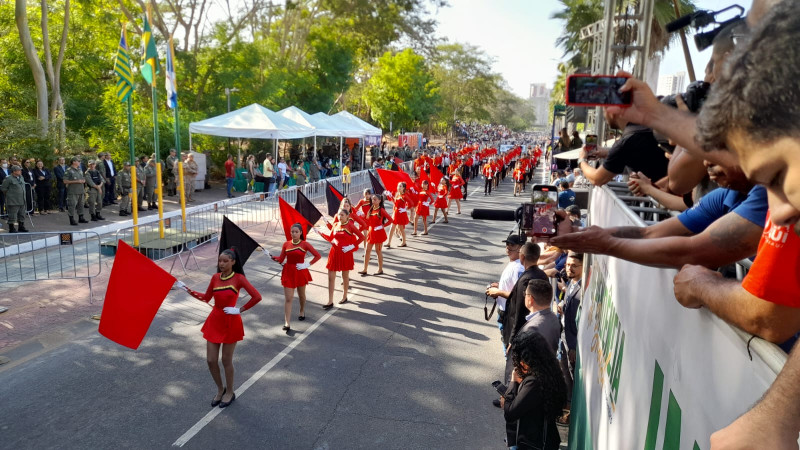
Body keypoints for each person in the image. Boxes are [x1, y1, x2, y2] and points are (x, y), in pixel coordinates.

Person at [178, 248, 262, 409]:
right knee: (210, 360)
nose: (221, 264)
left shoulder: (239, 279)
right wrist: (186, 289)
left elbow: (257, 296)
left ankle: (230, 391)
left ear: (233, 262)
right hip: (215, 321)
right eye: (220, 261)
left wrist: (239, 309)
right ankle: (220, 389)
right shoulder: (215, 277)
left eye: (225, 261)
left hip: (231, 322)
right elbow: (206, 297)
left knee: (226, 360)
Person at [503, 330, 567, 450]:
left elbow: (510, 413)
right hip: (546, 439)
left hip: (532, 444)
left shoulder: (534, 383)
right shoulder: (551, 371)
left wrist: (513, 383)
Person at [500, 242, 547, 384]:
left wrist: (512, 339)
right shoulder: (541, 274)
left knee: (514, 364)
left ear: (522, 257)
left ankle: (508, 395)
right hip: (535, 327)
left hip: (521, 330)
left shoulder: (526, 279)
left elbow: (520, 309)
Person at [577, 112, 668, 187]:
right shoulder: (647, 127)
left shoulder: (625, 143)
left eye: (605, 109)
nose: (604, 114)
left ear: (613, 111)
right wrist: (607, 153)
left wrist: (582, 160)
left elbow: (597, 179)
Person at [272, 223, 322, 332]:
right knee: (288, 298)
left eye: (296, 232)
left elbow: (318, 255)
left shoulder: (305, 244)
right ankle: (287, 323)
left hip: (300, 271)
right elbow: (281, 259)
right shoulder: (286, 244)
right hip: (288, 272)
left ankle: (302, 310)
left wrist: (307, 264)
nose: (294, 234)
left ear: (300, 233)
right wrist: (273, 257)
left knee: (301, 295)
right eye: (292, 232)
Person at [555, 252, 583, 425]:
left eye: (574, 265)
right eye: (567, 265)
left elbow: (579, 321)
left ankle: (571, 413)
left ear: (583, 267)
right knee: (564, 372)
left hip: (571, 342)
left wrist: (573, 347)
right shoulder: (571, 283)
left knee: (572, 376)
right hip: (563, 336)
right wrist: (562, 304)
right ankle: (567, 406)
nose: (569, 268)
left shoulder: (583, 289)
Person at [324, 209, 364, 308]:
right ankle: (330, 301)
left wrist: (351, 246)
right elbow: (331, 237)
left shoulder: (350, 225)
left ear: (347, 216)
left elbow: (362, 237)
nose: (340, 217)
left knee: (345, 276)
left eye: (342, 215)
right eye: (338, 215)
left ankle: (344, 295)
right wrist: (322, 234)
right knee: (330, 277)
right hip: (334, 253)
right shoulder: (335, 225)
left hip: (345, 253)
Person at [359, 194, 393, 276]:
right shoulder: (371, 209)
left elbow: (390, 220)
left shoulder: (381, 210)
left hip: (378, 233)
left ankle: (380, 269)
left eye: (375, 199)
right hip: (371, 232)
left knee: (378, 251)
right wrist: (361, 215)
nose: (373, 201)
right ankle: (365, 269)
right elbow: (368, 220)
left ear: (379, 201)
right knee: (367, 251)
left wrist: (382, 226)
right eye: (372, 199)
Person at [0, 165, 28, 233]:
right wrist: (9, 195)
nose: (20, 171)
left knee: (22, 214)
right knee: (13, 215)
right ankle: (11, 228)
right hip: (13, 200)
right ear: (14, 171)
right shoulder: (9, 178)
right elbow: (3, 188)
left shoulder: (21, 177)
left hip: (22, 199)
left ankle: (21, 227)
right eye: (19, 170)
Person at [385, 182, 411, 249]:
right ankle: (389, 242)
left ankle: (404, 242)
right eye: (398, 186)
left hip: (400, 214)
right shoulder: (397, 194)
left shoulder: (404, 196)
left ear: (403, 188)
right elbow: (395, 203)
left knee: (401, 229)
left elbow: (411, 203)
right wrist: (390, 196)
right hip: (395, 213)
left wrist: (405, 209)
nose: (398, 187)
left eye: (400, 186)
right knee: (391, 228)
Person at [64, 157, 88, 226]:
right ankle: (71, 219)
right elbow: (65, 181)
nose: (79, 162)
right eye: (78, 161)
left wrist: (83, 180)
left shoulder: (79, 170)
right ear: (74, 162)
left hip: (81, 190)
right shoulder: (68, 170)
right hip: (73, 191)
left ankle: (81, 217)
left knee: (81, 204)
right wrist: (76, 181)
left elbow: (82, 178)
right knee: (72, 205)